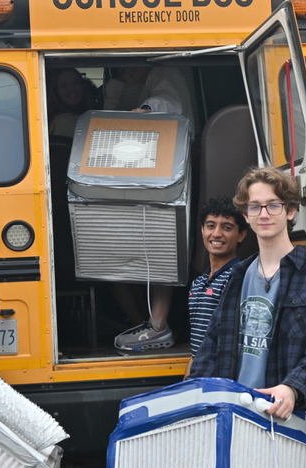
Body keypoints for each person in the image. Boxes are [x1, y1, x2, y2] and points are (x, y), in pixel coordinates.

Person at [189, 166, 306, 429]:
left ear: (291, 211)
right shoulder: (236, 277)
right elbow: (211, 345)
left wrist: (293, 389)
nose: (263, 214)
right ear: (245, 216)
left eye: (273, 205)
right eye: (255, 207)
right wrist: (198, 395)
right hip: (232, 412)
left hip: (286, 417)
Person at [112, 65, 197, 352]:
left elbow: (167, 101)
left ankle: (157, 325)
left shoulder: (164, 71)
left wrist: (145, 111)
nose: (127, 74)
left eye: (126, 68)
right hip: (157, 172)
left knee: (163, 243)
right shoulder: (139, 83)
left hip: (170, 171)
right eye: (120, 73)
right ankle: (149, 324)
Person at [188, 196, 248, 358]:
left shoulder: (239, 278)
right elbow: (198, 343)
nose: (216, 233)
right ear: (202, 230)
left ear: (241, 235)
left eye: (226, 228)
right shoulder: (197, 283)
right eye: (210, 226)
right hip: (199, 371)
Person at [47, 67, 96, 139]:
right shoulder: (65, 121)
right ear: (56, 92)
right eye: (64, 86)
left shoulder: (82, 115)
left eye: (75, 83)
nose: (72, 89)